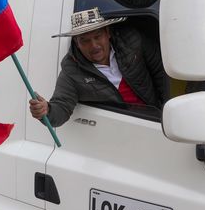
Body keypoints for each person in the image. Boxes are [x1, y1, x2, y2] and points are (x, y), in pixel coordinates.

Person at [29, 8, 167, 127]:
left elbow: (163, 73)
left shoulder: (133, 41)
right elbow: (61, 106)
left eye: (98, 36)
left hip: (157, 120)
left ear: (108, 33)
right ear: (77, 43)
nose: (94, 45)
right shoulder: (72, 70)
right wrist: (47, 112)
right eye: (85, 40)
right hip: (121, 130)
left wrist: (166, 109)